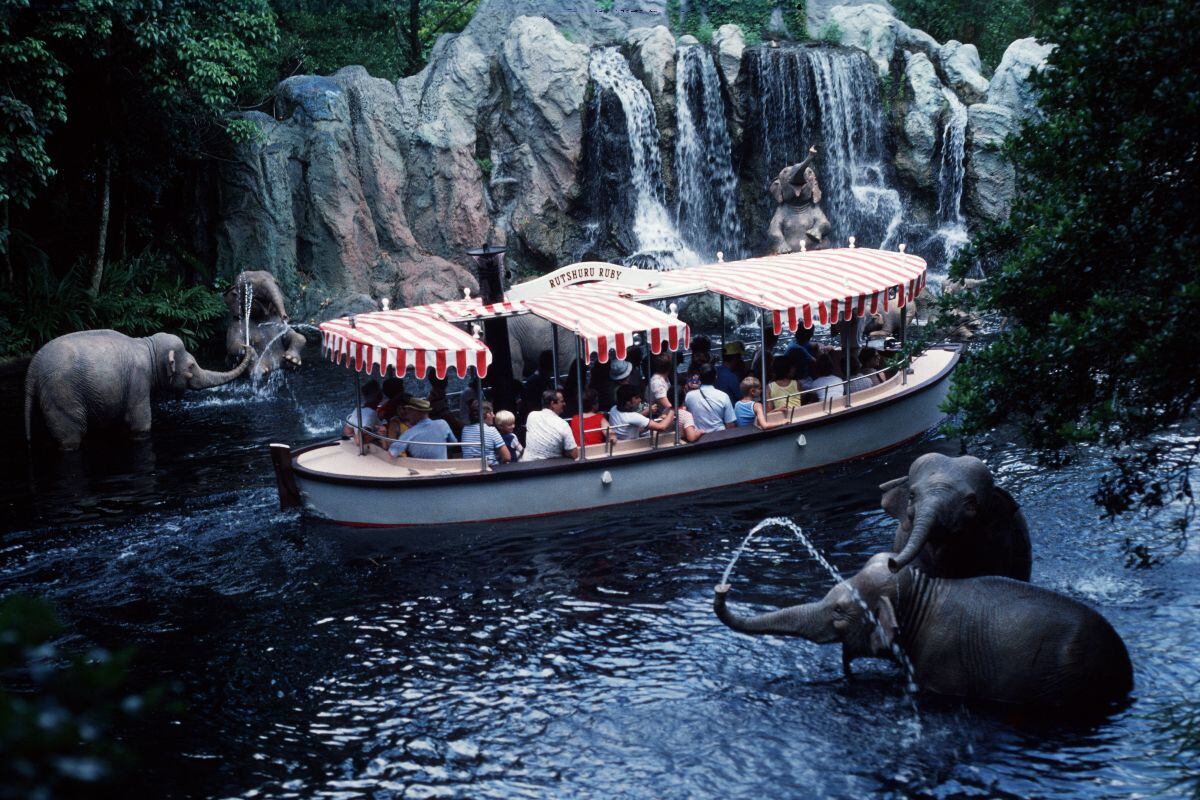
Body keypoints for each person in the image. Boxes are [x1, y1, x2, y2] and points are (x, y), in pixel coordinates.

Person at [387, 397, 457, 459]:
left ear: (416, 412)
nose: (407, 415)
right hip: (443, 469)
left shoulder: (409, 433)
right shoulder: (443, 423)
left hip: (423, 471)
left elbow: (392, 453)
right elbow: (454, 442)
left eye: (408, 411)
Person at [524, 389, 579, 461]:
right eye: (562, 401)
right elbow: (574, 454)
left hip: (528, 465)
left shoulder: (531, 416)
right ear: (553, 404)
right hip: (551, 468)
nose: (564, 404)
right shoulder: (563, 424)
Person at [608, 384, 675, 441]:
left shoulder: (613, 409)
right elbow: (662, 427)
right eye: (637, 398)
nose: (640, 400)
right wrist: (672, 408)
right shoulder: (633, 416)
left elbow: (634, 428)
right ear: (628, 402)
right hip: (631, 447)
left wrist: (657, 420)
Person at [684, 365, 736, 433]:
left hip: (699, 437)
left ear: (700, 378)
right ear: (716, 377)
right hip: (720, 436)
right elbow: (730, 424)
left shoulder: (689, 396)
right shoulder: (723, 396)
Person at [460, 399, 512, 466]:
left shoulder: (465, 429)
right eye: (491, 413)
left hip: (469, 469)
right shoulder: (492, 430)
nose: (494, 416)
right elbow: (507, 457)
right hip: (489, 469)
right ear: (486, 414)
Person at [344, 379, 382, 445]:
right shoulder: (371, 414)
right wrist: (377, 434)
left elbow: (347, 432)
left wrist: (355, 435)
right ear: (378, 395)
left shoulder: (358, 409)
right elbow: (359, 440)